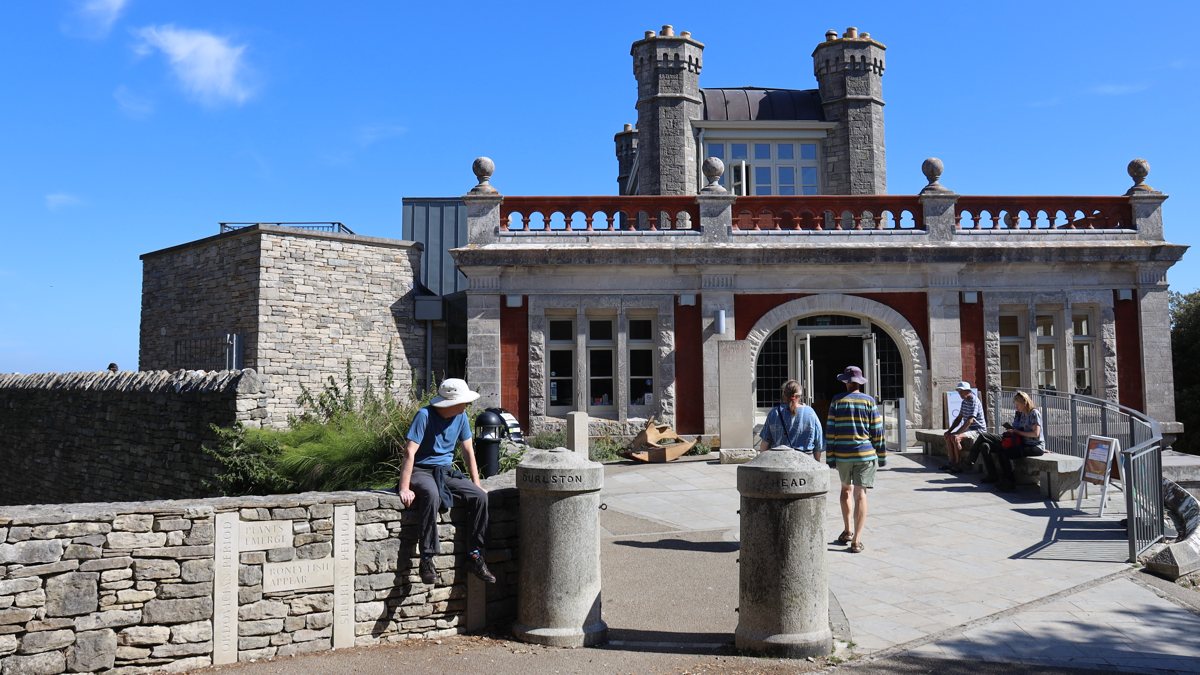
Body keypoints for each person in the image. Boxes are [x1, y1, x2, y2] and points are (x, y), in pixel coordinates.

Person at [398, 378, 495, 585]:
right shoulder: (424, 415)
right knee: (431, 495)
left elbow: (468, 451)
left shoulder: (461, 417)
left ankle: (475, 555)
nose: (467, 406)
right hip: (421, 471)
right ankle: (427, 558)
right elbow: (409, 451)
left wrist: (476, 484)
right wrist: (404, 487)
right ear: (450, 403)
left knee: (479, 497)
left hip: (446, 471)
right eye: (463, 402)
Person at [825, 365, 885, 554]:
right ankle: (857, 541)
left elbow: (831, 431)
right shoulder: (869, 402)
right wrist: (881, 456)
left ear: (846, 382)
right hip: (865, 454)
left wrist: (830, 457)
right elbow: (877, 430)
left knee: (845, 490)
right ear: (860, 383)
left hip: (843, 454)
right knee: (861, 494)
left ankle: (847, 530)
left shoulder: (836, 401)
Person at [981, 391, 1045, 492]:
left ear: (1024, 402)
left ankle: (1010, 482)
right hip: (1024, 443)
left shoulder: (1034, 413)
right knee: (1001, 450)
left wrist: (1017, 432)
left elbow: (1035, 434)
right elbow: (1020, 429)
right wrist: (1012, 431)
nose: (1016, 407)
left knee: (1006, 454)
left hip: (1035, 446)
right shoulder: (1023, 414)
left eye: (1017, 404)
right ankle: (1005, 479)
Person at [759, 379, 824, 461]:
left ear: (784, 394)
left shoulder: (774, 413)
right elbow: (818, 442)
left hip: (779, 461)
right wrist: (817, 461)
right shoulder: (810, 413)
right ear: (800, 396)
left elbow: (765, 442)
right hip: (806, 461)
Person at [942, 381, 985, 472]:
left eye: (961, 391)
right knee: (948, 436)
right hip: (969, 429)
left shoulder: (974, 401)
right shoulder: (964, 401)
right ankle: (952, 462)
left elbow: (970, 420)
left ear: (967, 391)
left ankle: (958, 465)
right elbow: (959, 418)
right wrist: (949, 431)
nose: (959, 394)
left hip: (978, 430)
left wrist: (958, 433)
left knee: (956, 438)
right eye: (958, 391)